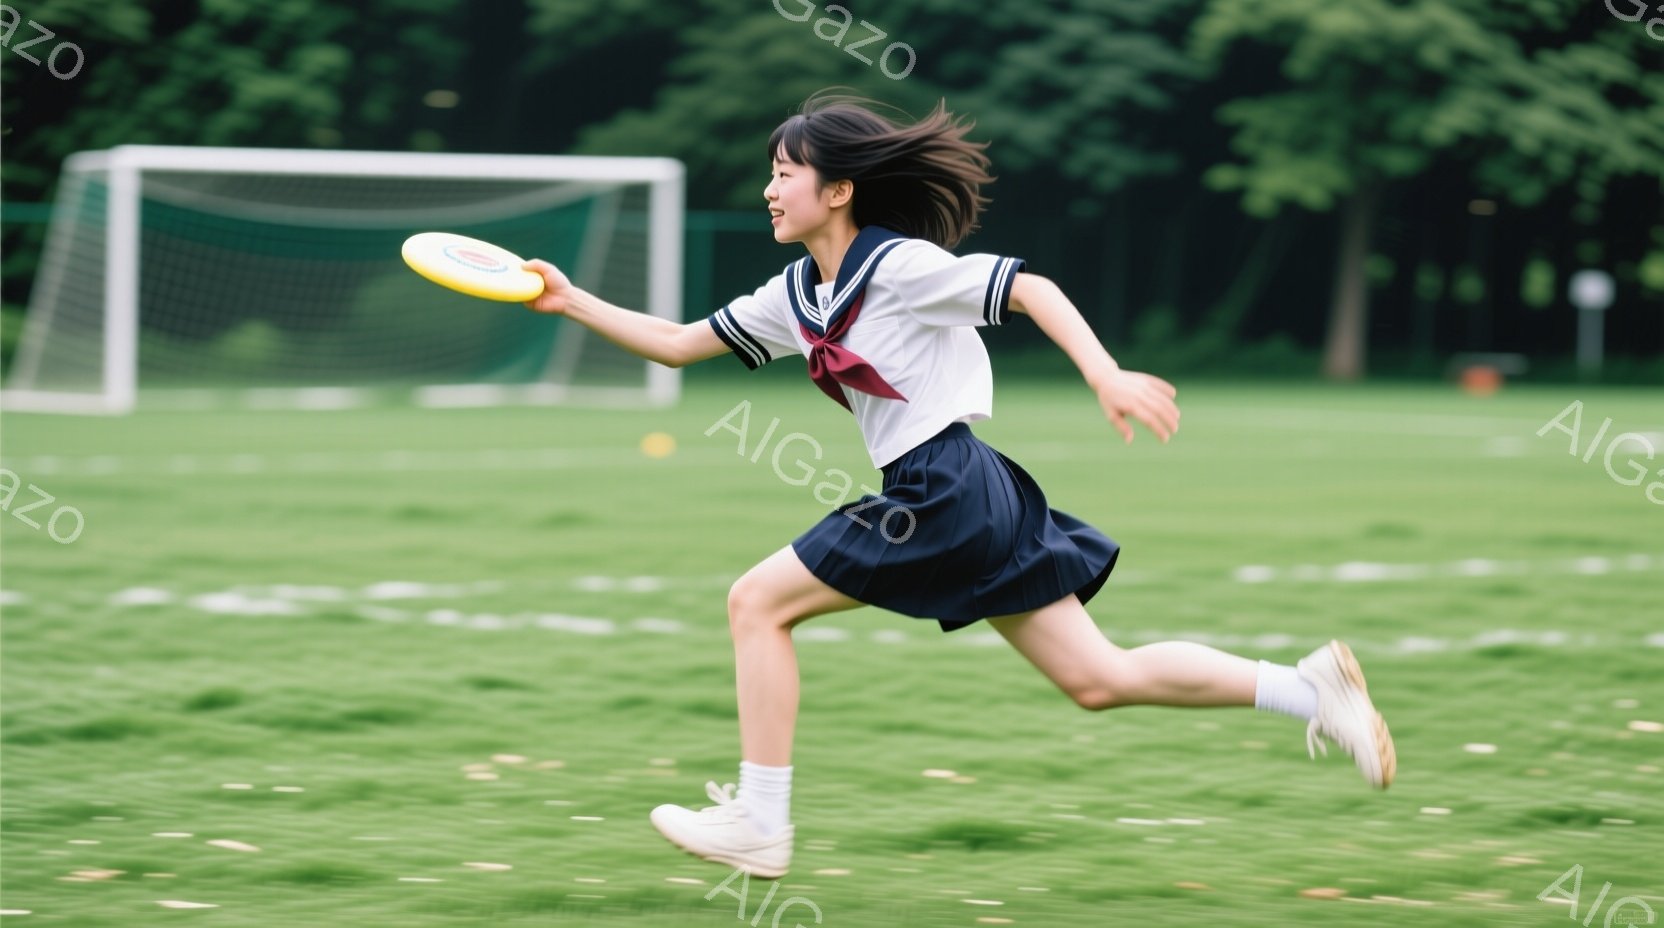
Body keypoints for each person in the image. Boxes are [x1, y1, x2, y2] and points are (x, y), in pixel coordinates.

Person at [521, 91, 1395, 880]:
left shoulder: (897, 266)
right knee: (1098, 678)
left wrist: (1105, 374)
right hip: (973, 491)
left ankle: (760, 819)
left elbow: (1033, 289)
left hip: (942, 486)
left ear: (839, 190)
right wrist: (570, 302)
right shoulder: (795, 295)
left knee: (757, 603)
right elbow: (678, 343)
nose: (769, 190)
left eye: (785, 173)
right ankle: (1310, 689)